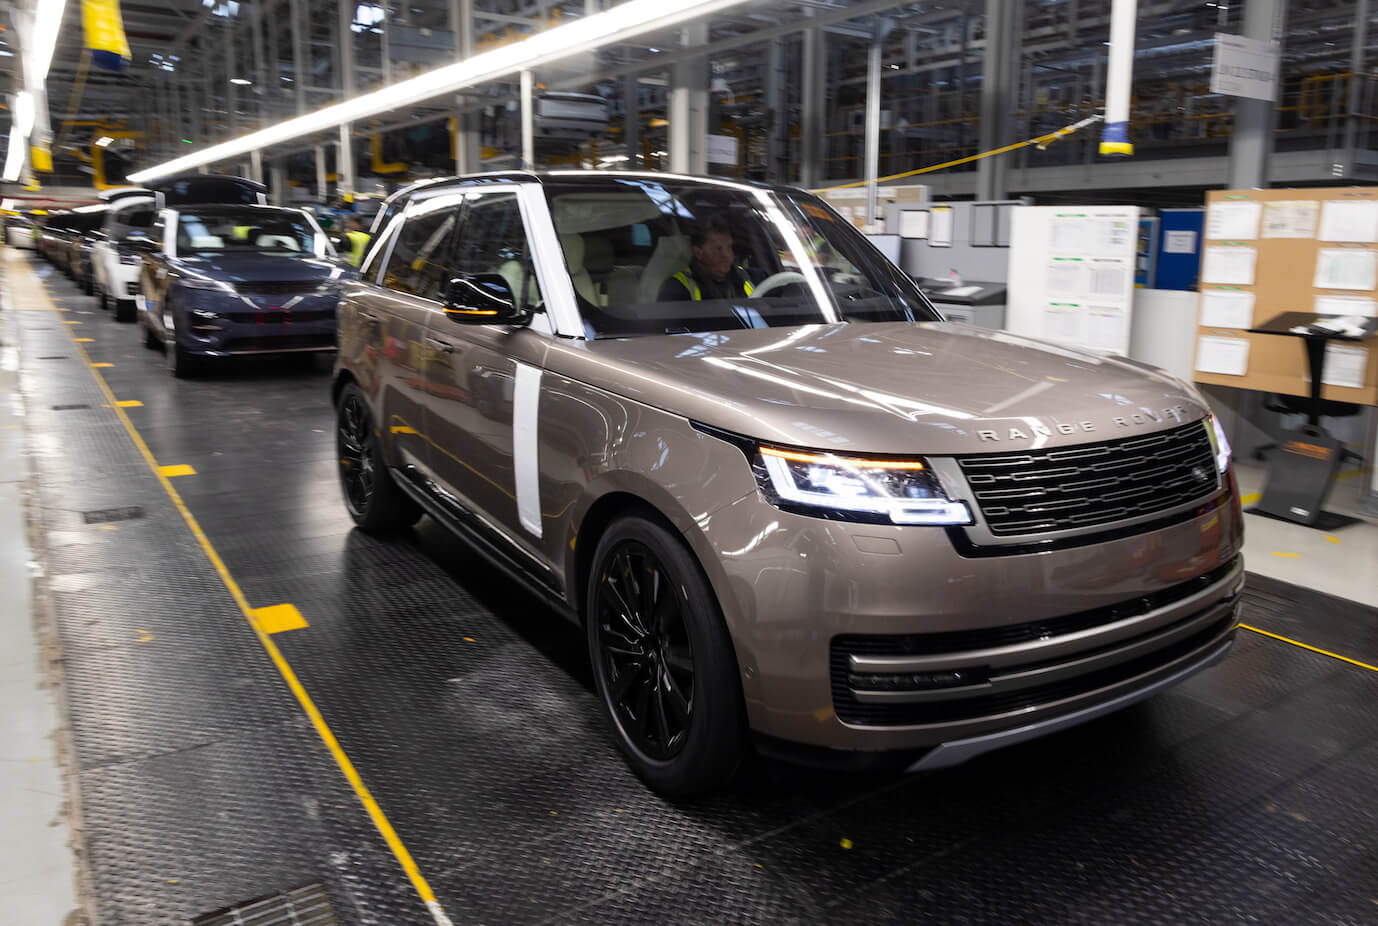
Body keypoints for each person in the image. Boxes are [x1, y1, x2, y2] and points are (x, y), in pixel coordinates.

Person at [659, 215, 755, 301]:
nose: (726, 255)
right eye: (717, 249)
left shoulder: (745, 276)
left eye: (729, 247)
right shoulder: (677, 288)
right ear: (698, 253)